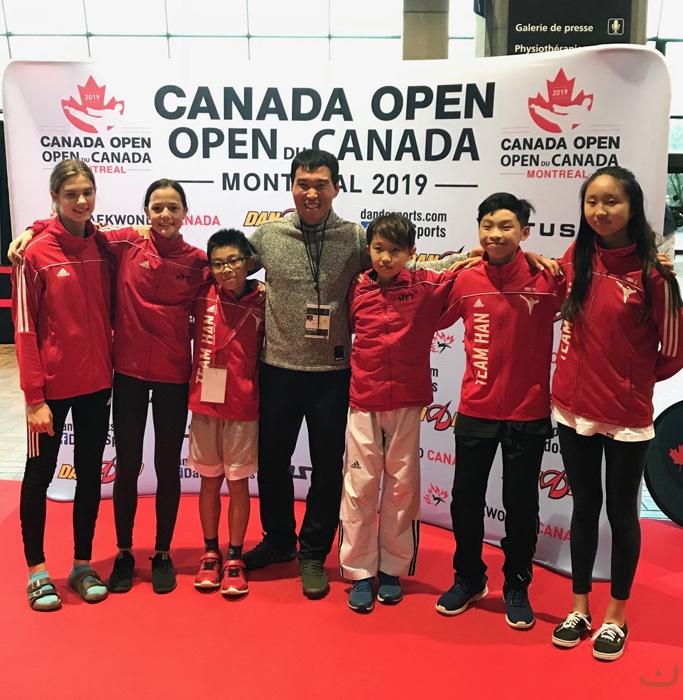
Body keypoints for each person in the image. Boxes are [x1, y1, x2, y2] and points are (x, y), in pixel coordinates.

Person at [243, 149, 472, 599]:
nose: (311, 193)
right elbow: (227, 264)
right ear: (291, 186)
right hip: (277, 369)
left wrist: (476, 259)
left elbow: (404, 264)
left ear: (336, 188)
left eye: (321, 184)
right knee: (271, 463)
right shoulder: (268, 235)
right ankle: (278, 540)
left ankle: (313, 552)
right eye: (303, 183)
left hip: (332, 374)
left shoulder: (354, 238)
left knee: (330, 469)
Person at [12, 179, 209, 594]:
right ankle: (121, 553)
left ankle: (161, 553)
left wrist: (258, 289)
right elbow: (76, 228)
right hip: (127, 373)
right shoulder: (123, 243)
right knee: (126, 465)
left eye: (173, 207)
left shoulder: (197, 262)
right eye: (157, 207)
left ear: (185, 212)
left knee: (166, 466)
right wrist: (32, 228)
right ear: (146, 212)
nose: (165, 215)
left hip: (171, 376)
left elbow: (231, 279)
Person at [550, 166, 683, 661]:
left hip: (626, 418)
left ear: (633, 207)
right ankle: (579, 607)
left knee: (622, 514)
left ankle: (616, 615)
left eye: (612, 202)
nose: (600, 211)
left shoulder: (655, 275)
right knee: (584, 508)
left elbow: (674, 351)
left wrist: (631, 382)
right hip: (572, 411)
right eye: (592, 202)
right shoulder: (577, 256)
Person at [434, 193, 565, 629]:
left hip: (529, 412)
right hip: (476, 408)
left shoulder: (548, 279)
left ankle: (517, 584)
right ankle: (469, 578)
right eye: (487, 226)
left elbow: (589, 284)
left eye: (506, 226)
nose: (495, 234)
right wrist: (456, 262)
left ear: (524, 232)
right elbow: (431, 312)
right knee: (465, 501)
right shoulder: (467, 278)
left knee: (521, 505)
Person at [339, 214, 462, 612]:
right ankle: (360, 571)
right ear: (368, 250)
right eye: (379, 249)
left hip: (408, 402)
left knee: (402, 487)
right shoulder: (356, 287)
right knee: (359, 488)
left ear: (411, 252)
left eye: (395, 251)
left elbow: (460, 266)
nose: (386, 258)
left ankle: (391, 569)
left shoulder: (425, 285)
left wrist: (484, 254)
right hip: (363, 400)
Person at [11, 159, 113, 610]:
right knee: (39, 476)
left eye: (87, 192)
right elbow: (24, 330)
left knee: (89, 475)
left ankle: (81, 565)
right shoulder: (33, 254)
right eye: (71, 194)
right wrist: (34, 398)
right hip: (50, 390)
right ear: (55, 197)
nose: (81, 201)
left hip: (98, 385)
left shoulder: (104, 246)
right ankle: (37, 571)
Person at [189, 229, 264, 597]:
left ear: (248, 262)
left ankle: (235, 556)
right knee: (208, 481)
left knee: (237, 484)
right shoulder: (201, 292)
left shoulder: (264, 299)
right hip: (205, 400)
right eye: (218, 263)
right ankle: (210, 553)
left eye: (233, 260)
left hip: (243, 406)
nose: (226, 269)